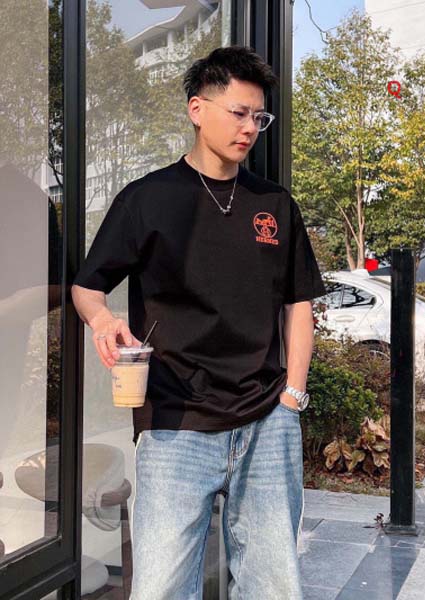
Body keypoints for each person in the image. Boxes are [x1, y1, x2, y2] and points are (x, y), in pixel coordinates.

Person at [72, 45, 325, 600]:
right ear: (197, 109)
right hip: (174, 424)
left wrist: (292, 399)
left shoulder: (275, 204)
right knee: (160, 588)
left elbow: (299, 304)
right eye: (238, 113)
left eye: (259, 117)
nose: (250, 128)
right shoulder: (147, 199)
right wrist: (103, 319)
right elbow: (87, 285)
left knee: (274, 587)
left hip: (266, 421)